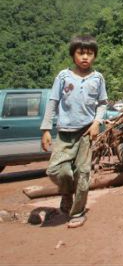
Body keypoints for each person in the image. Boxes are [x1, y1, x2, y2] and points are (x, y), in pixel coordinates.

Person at [40, 35, 108, 228]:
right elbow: (53, 102)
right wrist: (45, 129)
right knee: (56, 170)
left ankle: (77, 212)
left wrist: (97, 123)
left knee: (83, 173)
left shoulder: (97, 78)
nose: (85, 57)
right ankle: (66, 193)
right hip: (64, 133)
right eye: (81, 53)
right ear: (73, 55)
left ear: (94, 56)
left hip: (86, 133)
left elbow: (102, 103)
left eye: (89, 53)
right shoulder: (63, 76)